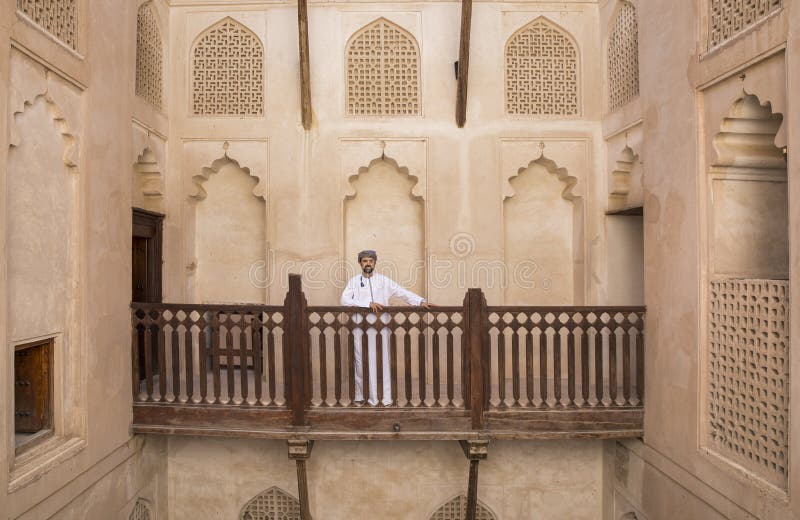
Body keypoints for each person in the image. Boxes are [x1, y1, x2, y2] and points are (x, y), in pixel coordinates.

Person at [340, 250, 430, 405]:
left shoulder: (383, 280)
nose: (368, 263)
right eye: (364, 261)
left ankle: (385, 398)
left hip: (381, 327)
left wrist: (420, 301)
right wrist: (367, 304)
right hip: (359, 327)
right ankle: (360, 396)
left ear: (375, 263)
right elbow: (344, 300)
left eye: (371, 261)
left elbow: (401, 292)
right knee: (360, 361)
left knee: (383, 360)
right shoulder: (354, 281)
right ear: (360, 263)